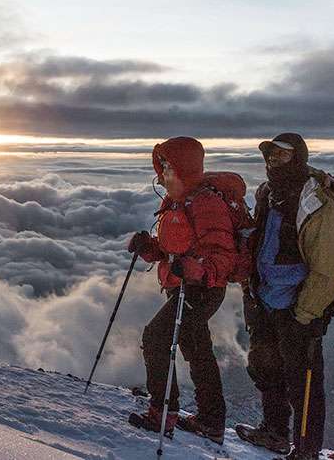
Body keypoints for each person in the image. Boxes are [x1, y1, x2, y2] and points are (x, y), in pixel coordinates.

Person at [235, 133, 334, 460]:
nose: (273, 160)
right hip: (264, 300)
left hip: (298, 307)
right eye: (270, 154)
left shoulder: (318, 202)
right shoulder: (268, 193)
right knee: (265, 368)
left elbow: (326, 269)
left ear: (298, 157)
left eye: (283, 155)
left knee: (304, 384)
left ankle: (305, 451)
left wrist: (306, 314)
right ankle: (274, 433)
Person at [127, 137, 237, 444]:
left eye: (168, 166)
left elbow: (223, 256)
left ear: (184, 168)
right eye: (160, 165)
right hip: (182, 286)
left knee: (155, 338)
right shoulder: (177, 202)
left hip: (202, 289)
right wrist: (148, 248)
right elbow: (172, 249)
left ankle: (163, 413)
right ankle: (211, 421)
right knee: (197, 349)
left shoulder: (205, 204)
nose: (162, 173)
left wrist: (198, 270)